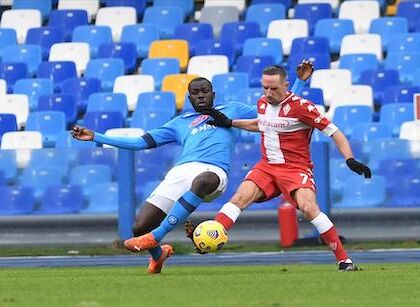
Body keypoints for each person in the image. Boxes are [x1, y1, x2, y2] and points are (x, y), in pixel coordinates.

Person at [71, 62, 313, 273]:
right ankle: (158, 255)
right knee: (139, 225)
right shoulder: (180, 122)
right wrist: (96, 136)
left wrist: (300, 84)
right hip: (181, 172)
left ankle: (157, 236)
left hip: (214, 172)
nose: (200, 96)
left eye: (204, 91)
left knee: (203, 180)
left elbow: (281, 111)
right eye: (194, 93)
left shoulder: (232, 110)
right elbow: (140, 142)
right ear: (189, 98)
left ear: (213, 93)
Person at [187, 65, 371, 271]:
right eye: (265, 88)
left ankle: (344, 260)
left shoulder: (303, 108)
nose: (268, 93)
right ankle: (210, 239)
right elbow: (260, 124)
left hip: (295, 169)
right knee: (238, 198)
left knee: (310, 209)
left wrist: (350, 159)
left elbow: (335, 132)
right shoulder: (262, 104)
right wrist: (230, 122)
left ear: (285, 85)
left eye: (273, 89)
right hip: (266, 167)